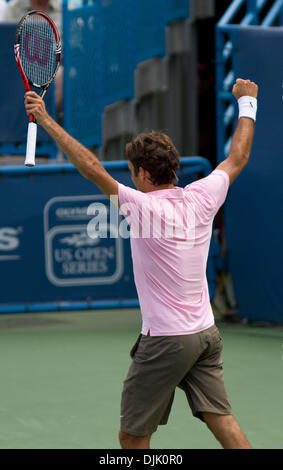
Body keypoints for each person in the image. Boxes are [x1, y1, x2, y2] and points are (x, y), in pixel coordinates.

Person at [24, 78, 258, 449]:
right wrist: (248, 102)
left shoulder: (142, 207)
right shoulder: (203, 195)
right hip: (205, 335)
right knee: (223, 422)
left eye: (133, 170)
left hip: (167, 340)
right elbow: (238, 157)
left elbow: (91, 168)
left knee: (132, 437)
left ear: (144, 174)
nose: (131, 176)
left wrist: (46, 120)